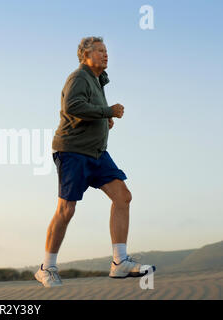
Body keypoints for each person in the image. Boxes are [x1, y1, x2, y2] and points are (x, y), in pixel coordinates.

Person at [35, 36, 155, 287]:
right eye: (99, 51)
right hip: (73, 151)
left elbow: (87, 110)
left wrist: (104, 120)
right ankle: (46, 267)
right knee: (66, 209)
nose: (105, 54)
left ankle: (119, 262)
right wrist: (107, 112)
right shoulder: (78, 77)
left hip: (98, 153)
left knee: (123, 196)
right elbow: (73, 106)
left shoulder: (98, 82)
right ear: (85, 56)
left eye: (106, 50)